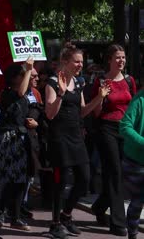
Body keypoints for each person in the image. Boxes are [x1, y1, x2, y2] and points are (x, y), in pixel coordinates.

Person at [45, 43, 111, 238]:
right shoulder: (52, 83)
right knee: (61, 181)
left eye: (82, 62)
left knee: (84, 179)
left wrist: (99, 98)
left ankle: (66, 215)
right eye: (77, 61)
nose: (80, 65)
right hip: (59, 138)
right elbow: (49, 114)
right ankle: (55, 223)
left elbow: (82, 111)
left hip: (76, 136)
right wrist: (61, 94)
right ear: (65, 62)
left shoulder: (80, 82)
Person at [90, 44, 135, 236]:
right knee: (115, 172)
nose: (121, 60)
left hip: (125, 130)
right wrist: (101, 96)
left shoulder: (129, 80)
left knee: (122, 174)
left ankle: (99, 207)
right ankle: (118, 223)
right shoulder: (101, 81)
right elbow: (96, 112)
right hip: (106, 128)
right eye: (118, 57)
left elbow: (133, 106)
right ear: (109, 60)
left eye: (123, 57)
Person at [0, 59, 33, 231]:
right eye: (20, 74)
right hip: (9, 138)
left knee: (21, 180)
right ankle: (0, 212)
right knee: (9, 178)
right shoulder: (7, 93)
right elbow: (20, 92)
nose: (25, 76)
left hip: (21, 137)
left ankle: (15, 215)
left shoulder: (26, 94)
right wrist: (28, 68)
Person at [119, 88, 144, 239]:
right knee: (138, 200)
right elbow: (124, 126)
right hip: (137, 161)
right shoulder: (139, 100)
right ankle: (133, 234)